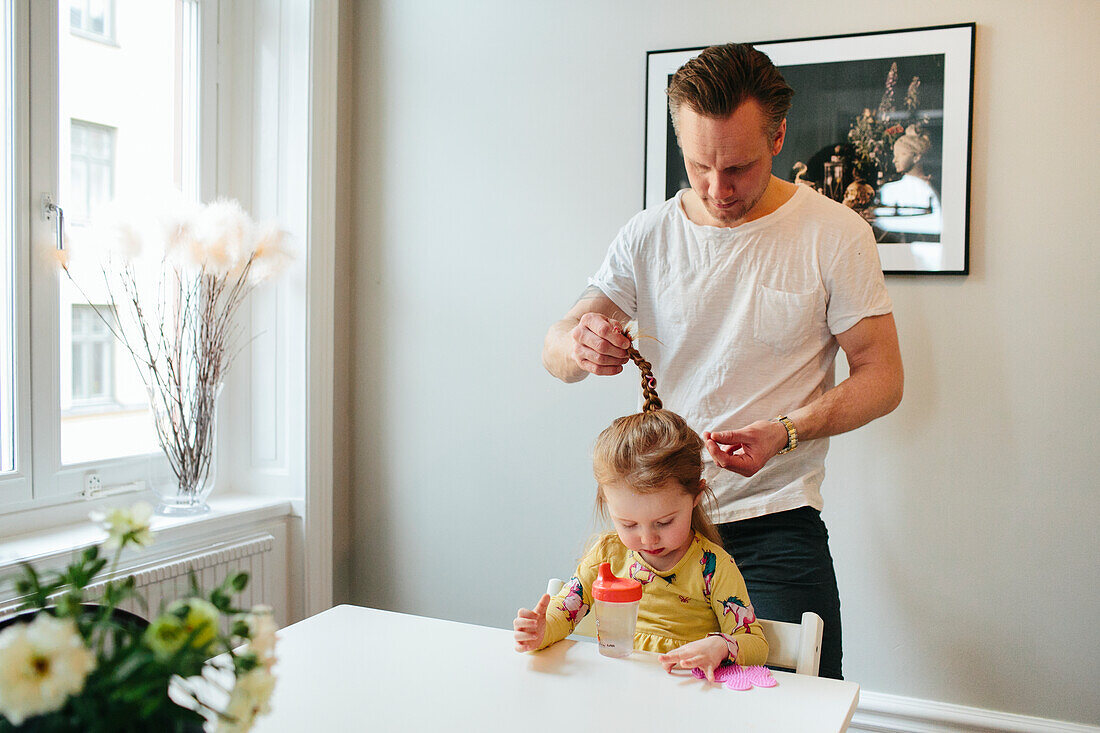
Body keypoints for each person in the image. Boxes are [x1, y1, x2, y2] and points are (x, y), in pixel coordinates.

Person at [541, 43, 903, 680]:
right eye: (698, 164)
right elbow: (557, 347)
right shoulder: (647, 234)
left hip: (776, 525)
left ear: (779, 134)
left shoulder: (835, 234)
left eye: (737, 166)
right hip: (658, 531)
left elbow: (884, 378)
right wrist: (579, 345)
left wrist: (786, 432)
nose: (716, 188)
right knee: (641, 700)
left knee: (793, 704)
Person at [514, 341, 769, 680]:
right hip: (617, 691)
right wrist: (540, 631)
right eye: (628, 523)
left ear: (695, 497)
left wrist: (722, 646)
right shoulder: (607, 555)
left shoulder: (712, 568)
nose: (647, 538)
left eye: (664, 522)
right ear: (608, 504)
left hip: (684, 695)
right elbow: (564, 614)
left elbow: (754, 643)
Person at [875, 125, 942, 238]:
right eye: (895, 156)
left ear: (916, 157)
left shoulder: (931, 188)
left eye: (901, 155)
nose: (894, 160)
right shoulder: (889, 189)